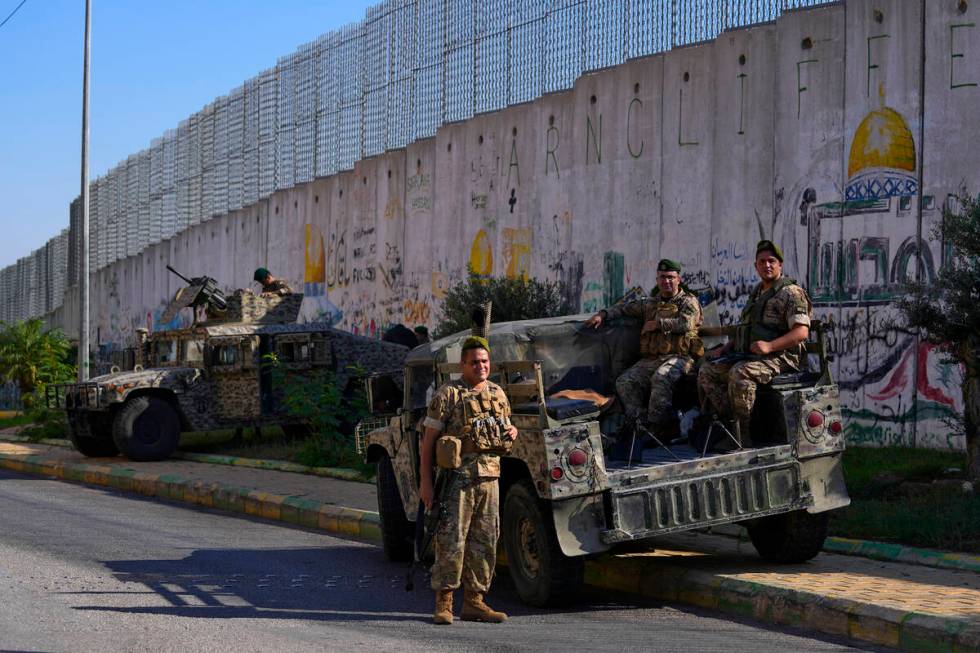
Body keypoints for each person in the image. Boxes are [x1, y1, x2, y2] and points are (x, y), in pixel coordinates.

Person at [419, 336, 518, 625]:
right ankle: (445, 602)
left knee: (486, 541)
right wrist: (426, 483)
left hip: (490, 478)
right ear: (462, 364)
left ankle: (475, 602)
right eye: (474, 362)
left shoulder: (498, 393)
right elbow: (428, 443)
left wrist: (512, 432)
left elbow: (505, 428)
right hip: (456, 481)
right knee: (451, 540)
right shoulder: (447, 395)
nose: (480, 366)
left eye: (485, 361)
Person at [697, 240, 812, 447]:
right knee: (707, 371)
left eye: (771, 261)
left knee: (740, 373)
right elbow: (746, 330)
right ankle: (729, 423)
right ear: (756, 266)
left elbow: (801, 332)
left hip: (782, 357)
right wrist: (725, 348)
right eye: (762, 262)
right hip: (754, 356)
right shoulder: (757, 294)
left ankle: (742, 436)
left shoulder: (792, 293)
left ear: (780, 265)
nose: (767, 265)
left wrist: (770, 346)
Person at [585, 259, 703, 443]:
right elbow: (623, 307)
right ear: (657, 279)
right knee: (624, 382)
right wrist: (603, 314)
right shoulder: (649, 304)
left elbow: (687, 323)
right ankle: (641, 424)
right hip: (652, 359)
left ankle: (661, 428)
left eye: (671, 277)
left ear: (679, 279)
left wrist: (657, 324)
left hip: (680, 357)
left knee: (661, 377)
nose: (667, 281)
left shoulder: (688, 301)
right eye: (663, 277)